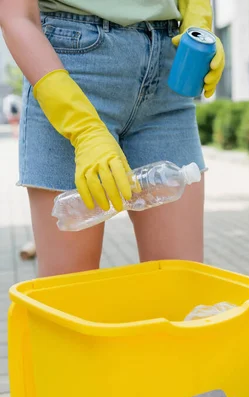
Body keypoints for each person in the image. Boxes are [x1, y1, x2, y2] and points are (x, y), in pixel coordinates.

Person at [0, 0, 224, 277]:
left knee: (181, 285)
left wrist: (198, 17)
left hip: (168, 70)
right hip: (70, 72)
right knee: (71, 295)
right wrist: (84, 129)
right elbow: (16, 16)